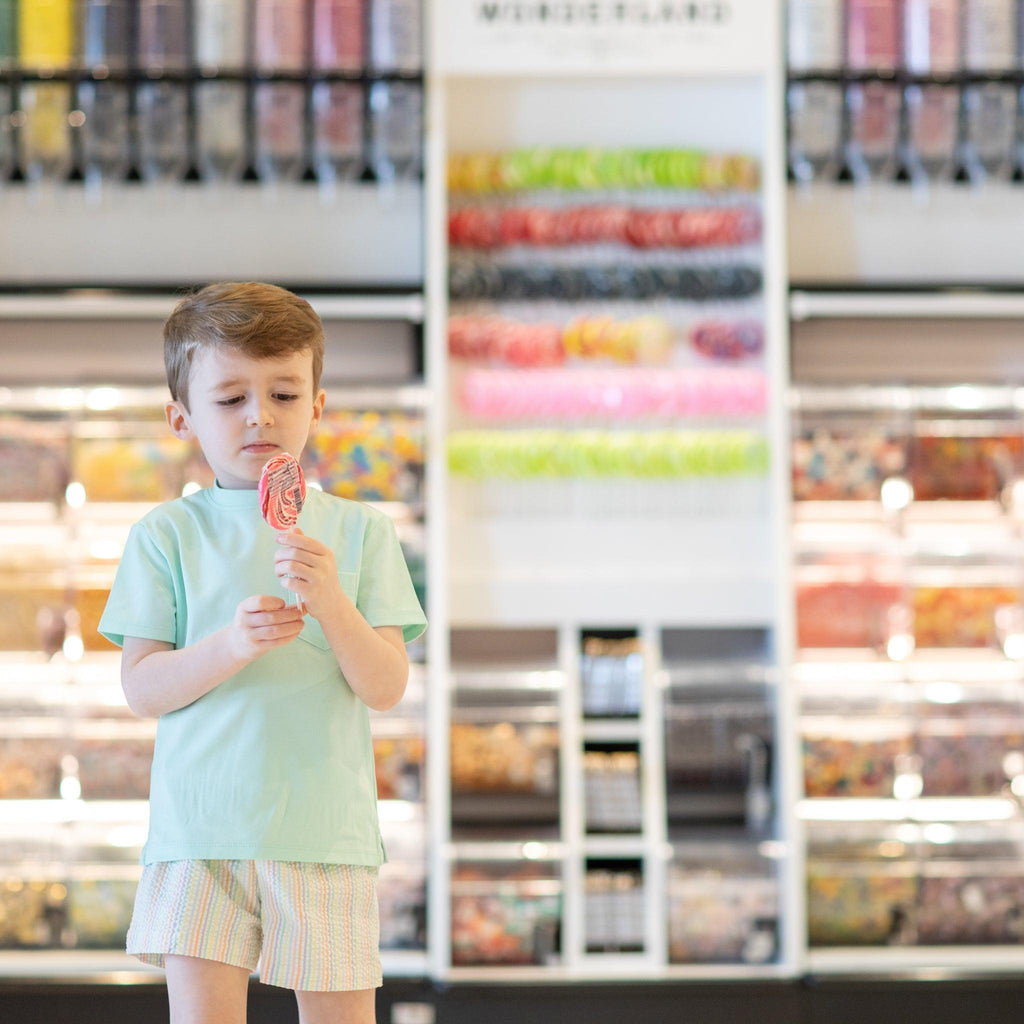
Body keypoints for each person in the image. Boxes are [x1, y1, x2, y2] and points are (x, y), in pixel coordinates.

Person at [98, 282, 426, 1024]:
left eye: (283, 393)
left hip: (326, 834)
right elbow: (143, 688)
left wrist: (332, 602)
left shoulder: (363, 532)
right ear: (181, 417)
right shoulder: (164, 537)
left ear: (317, 406)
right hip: (198, 833)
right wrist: (232, 643)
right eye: (230, 398)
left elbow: (385, 686)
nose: (260, 415)